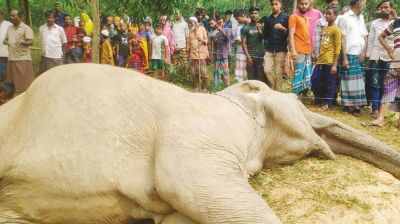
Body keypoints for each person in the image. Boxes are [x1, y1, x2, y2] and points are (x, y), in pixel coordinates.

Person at [368, 18, 400, 129]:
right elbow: (381, 36)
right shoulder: (396, 22)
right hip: (395, 63)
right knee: (389, 90)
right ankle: (380, 119)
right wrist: (389, 49)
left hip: (395, 62)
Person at [338, 0, 368, 116]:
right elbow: (343, 39)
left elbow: (365, 36)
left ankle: (357, 107)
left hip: (360, 54)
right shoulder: (344, 18)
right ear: (358, 2)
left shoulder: (361, 18)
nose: (365, 4)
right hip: (349, 53)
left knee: (360, 81)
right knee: (347, 80)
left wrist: (364, 51)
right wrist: (344, 57)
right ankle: (346, 106)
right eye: (364, 2)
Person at [366, 0, 395, 118]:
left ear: (391, 8)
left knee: (384, 84)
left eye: (386, 7)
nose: (383, 10)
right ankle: (375, 108)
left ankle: (382, 109)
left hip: (389, 58)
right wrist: (368, 58)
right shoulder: (375, 23)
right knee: (374, 83)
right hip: (375, 56)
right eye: (382, 8)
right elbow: (372, 41)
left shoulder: (396, 23)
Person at [311, 6, 341, 111]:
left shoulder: (336, 30)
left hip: (329, 61)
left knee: (330, 82)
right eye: (326, 14)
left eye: (330, 14)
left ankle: (327, 103)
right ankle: (320, 99)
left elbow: (338, 47)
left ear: (335, 16)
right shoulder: (324, 28)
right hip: (320, 60)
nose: (327, 16)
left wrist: (334, 65)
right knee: (314, 80)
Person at [3, 9, 34, 92]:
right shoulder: (9, 28)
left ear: (20, 16)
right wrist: (6, 42)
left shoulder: (26, 28)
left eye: (13, 15)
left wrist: (23, 42)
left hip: (22, 59)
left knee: (24, 83)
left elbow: (31, 42)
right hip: (11, 58)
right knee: (11, 83)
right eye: (10, 15)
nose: (11, 17)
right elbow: (5, 40)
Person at [262, 0, 289, 91]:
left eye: (276, 4)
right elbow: (265, 35)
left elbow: (291, 33)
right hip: (269, 49)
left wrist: (283, 28)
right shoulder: (268, 19)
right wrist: (259, 29)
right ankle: (273, 89)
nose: (274, 6)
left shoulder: (286, 17)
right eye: (272, 4)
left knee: (278, 74)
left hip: (281, 49)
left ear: (280, 4)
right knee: (267, 70)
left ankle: (278, 93)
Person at [289, 0, 313, 96]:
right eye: (301, 4)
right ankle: (295, 96)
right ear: (298, 4)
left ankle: (303, 96)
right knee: (298, 74)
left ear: (309, 5)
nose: (303, 6)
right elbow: (291, 34)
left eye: (305, 4)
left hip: (307, 50)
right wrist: (293, 50)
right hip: (298, 50)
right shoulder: (293, 17)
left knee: (305, 74)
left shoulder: (305, 18)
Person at [241, 6, 266, 83]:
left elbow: (265, 37)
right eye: (252, 13)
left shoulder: (262, 26)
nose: (254, 15)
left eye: (256, 13)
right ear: (249, 15)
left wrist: (260, 30)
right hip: (251, 57)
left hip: (261, 56)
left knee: (260, 80)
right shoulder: (245, 28)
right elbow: (243, 43)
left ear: (258, 14)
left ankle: (260, 95)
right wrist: (248, 57)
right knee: (251, 80)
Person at [188, 16, 208, 90]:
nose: (189, 24)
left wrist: (202, 40)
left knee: (203, 71)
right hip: (193, 54)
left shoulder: (202, 29)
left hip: (201, 54)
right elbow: (189, 43)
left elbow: (206, 40)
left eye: (190, 23)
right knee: (193, 71)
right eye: (189, 23)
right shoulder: (190, 31)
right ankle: (197, 86)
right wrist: (188, 52)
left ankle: (205, 87)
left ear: (195, 22)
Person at [213, 16, 230, 89]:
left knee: (225, 71)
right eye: (218, 22)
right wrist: (215, 41)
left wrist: (222, 30)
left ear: (223, 23)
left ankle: (227, 86)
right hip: (217, 55)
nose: (220, 24)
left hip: (224, 55)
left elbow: (227, 39)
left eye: (221, 22)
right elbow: (214, 45)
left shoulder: (226, 30)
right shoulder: (216, 33)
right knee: (216, 72)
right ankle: (216, 86)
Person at [233, 10, 250, 82]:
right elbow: (238, 40)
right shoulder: (239, 28)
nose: (238, 21)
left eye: (238, 19)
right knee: (240, 73)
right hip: (241, 52)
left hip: (252, 52)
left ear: (242, 16)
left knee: (250, 72)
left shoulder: (253, 25)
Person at [0, 10, 12, 82]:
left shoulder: (8, 24)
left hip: (5, 51)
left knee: (4, 69)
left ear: (2, 15)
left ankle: (5, 83)